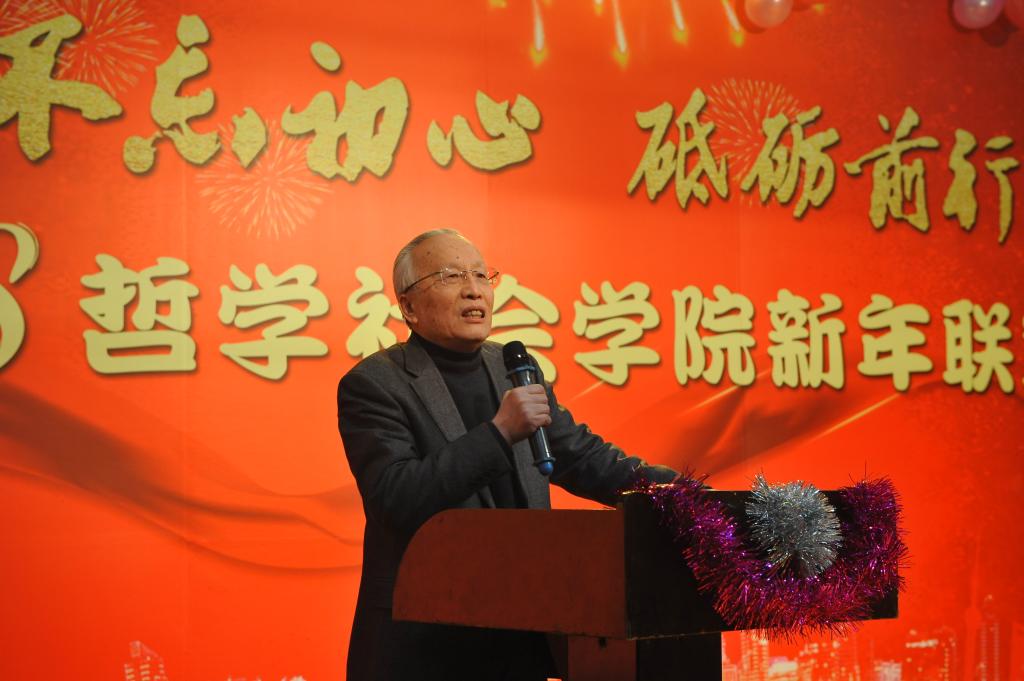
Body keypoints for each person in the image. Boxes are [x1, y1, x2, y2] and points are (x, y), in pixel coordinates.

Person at [337, 229, 677, 681]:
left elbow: (582, 457)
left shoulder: (513, 367)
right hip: (423, 641)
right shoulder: (375, 384)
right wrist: (499, 434)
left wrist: (678, 492)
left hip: (518, 630)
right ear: (409, 306)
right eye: (451, 276)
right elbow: (395, 496)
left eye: (482, 275)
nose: (473, 289)